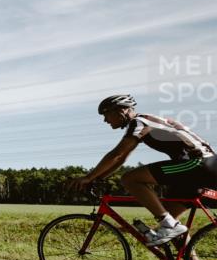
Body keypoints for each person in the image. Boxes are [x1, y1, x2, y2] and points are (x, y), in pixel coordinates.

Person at [71, 94, 217, 245]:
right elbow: (121, 158)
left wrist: (88, 177)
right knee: (170, 223)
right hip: (202, 166)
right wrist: (98, 178)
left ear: (122, 110)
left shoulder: (139, 122)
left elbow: (117, 153)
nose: (105, 120)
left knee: (130, 179)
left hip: (198, 163)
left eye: (107, 114)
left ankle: (169, 225)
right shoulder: (145, 121)